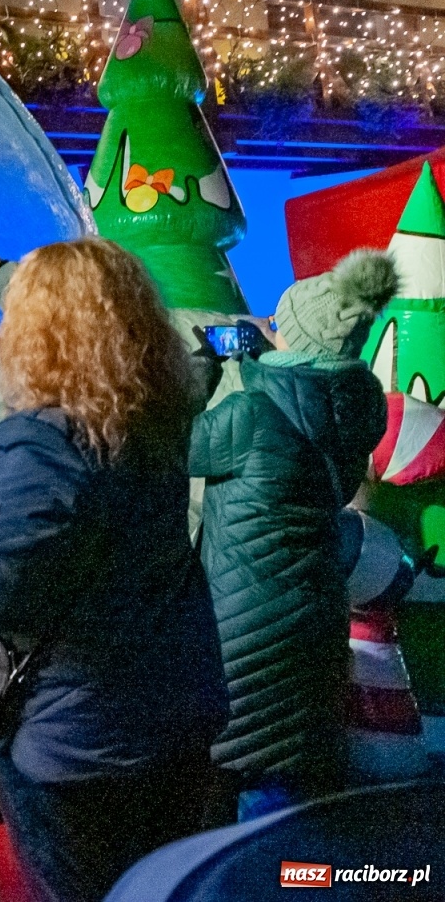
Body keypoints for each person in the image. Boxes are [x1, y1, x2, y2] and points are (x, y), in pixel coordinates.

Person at [0, 238, 228, 902]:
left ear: (31, 337)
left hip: (79, 746)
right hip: (175, 715)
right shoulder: (158, 414)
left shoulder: (41, 447)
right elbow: (97, 326)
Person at [190, 249, 395, 821]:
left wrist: (206, 362)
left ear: (295, 341)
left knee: (249, 785)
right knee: (292, 781)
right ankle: (306, 879)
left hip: (242, 633)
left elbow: (164, 444)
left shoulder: (251, 414)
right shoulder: (354, 411)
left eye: (278, 325)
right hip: (315, 620)